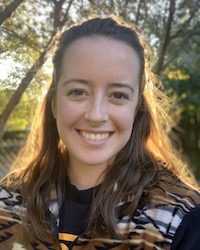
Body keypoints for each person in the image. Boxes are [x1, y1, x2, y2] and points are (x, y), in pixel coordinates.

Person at [0, 17, 199, 250]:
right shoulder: (8, 202)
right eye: (78, 91)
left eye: (118, 95)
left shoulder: (180, 221)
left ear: (137, 109)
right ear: (54, 104)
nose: (96, 115)